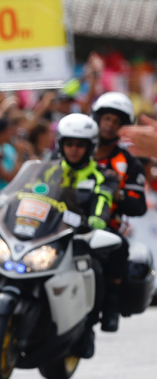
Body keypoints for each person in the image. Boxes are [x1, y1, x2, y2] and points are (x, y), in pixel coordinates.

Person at [43, 113, 118, 358]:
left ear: (90, 147)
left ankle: (88, 327)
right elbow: (25, 194)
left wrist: (96, 220)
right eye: (69, 144)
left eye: (80, 145)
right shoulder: (48, 171)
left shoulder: (102, 176)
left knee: (94, 269)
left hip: (81, 239)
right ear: (61, 145)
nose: (74, 150)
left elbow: (102, 202)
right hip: (46, 236)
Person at [91, 92, 147, 332]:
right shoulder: (76, 149)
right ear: (97, 119)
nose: (110, 125)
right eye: (107, 119)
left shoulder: (129, 163)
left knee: (119, 247)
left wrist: (118, 195)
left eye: (116, 122)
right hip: (65, 221)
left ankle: (111, 305)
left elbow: (139, 205)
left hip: (106, 225)